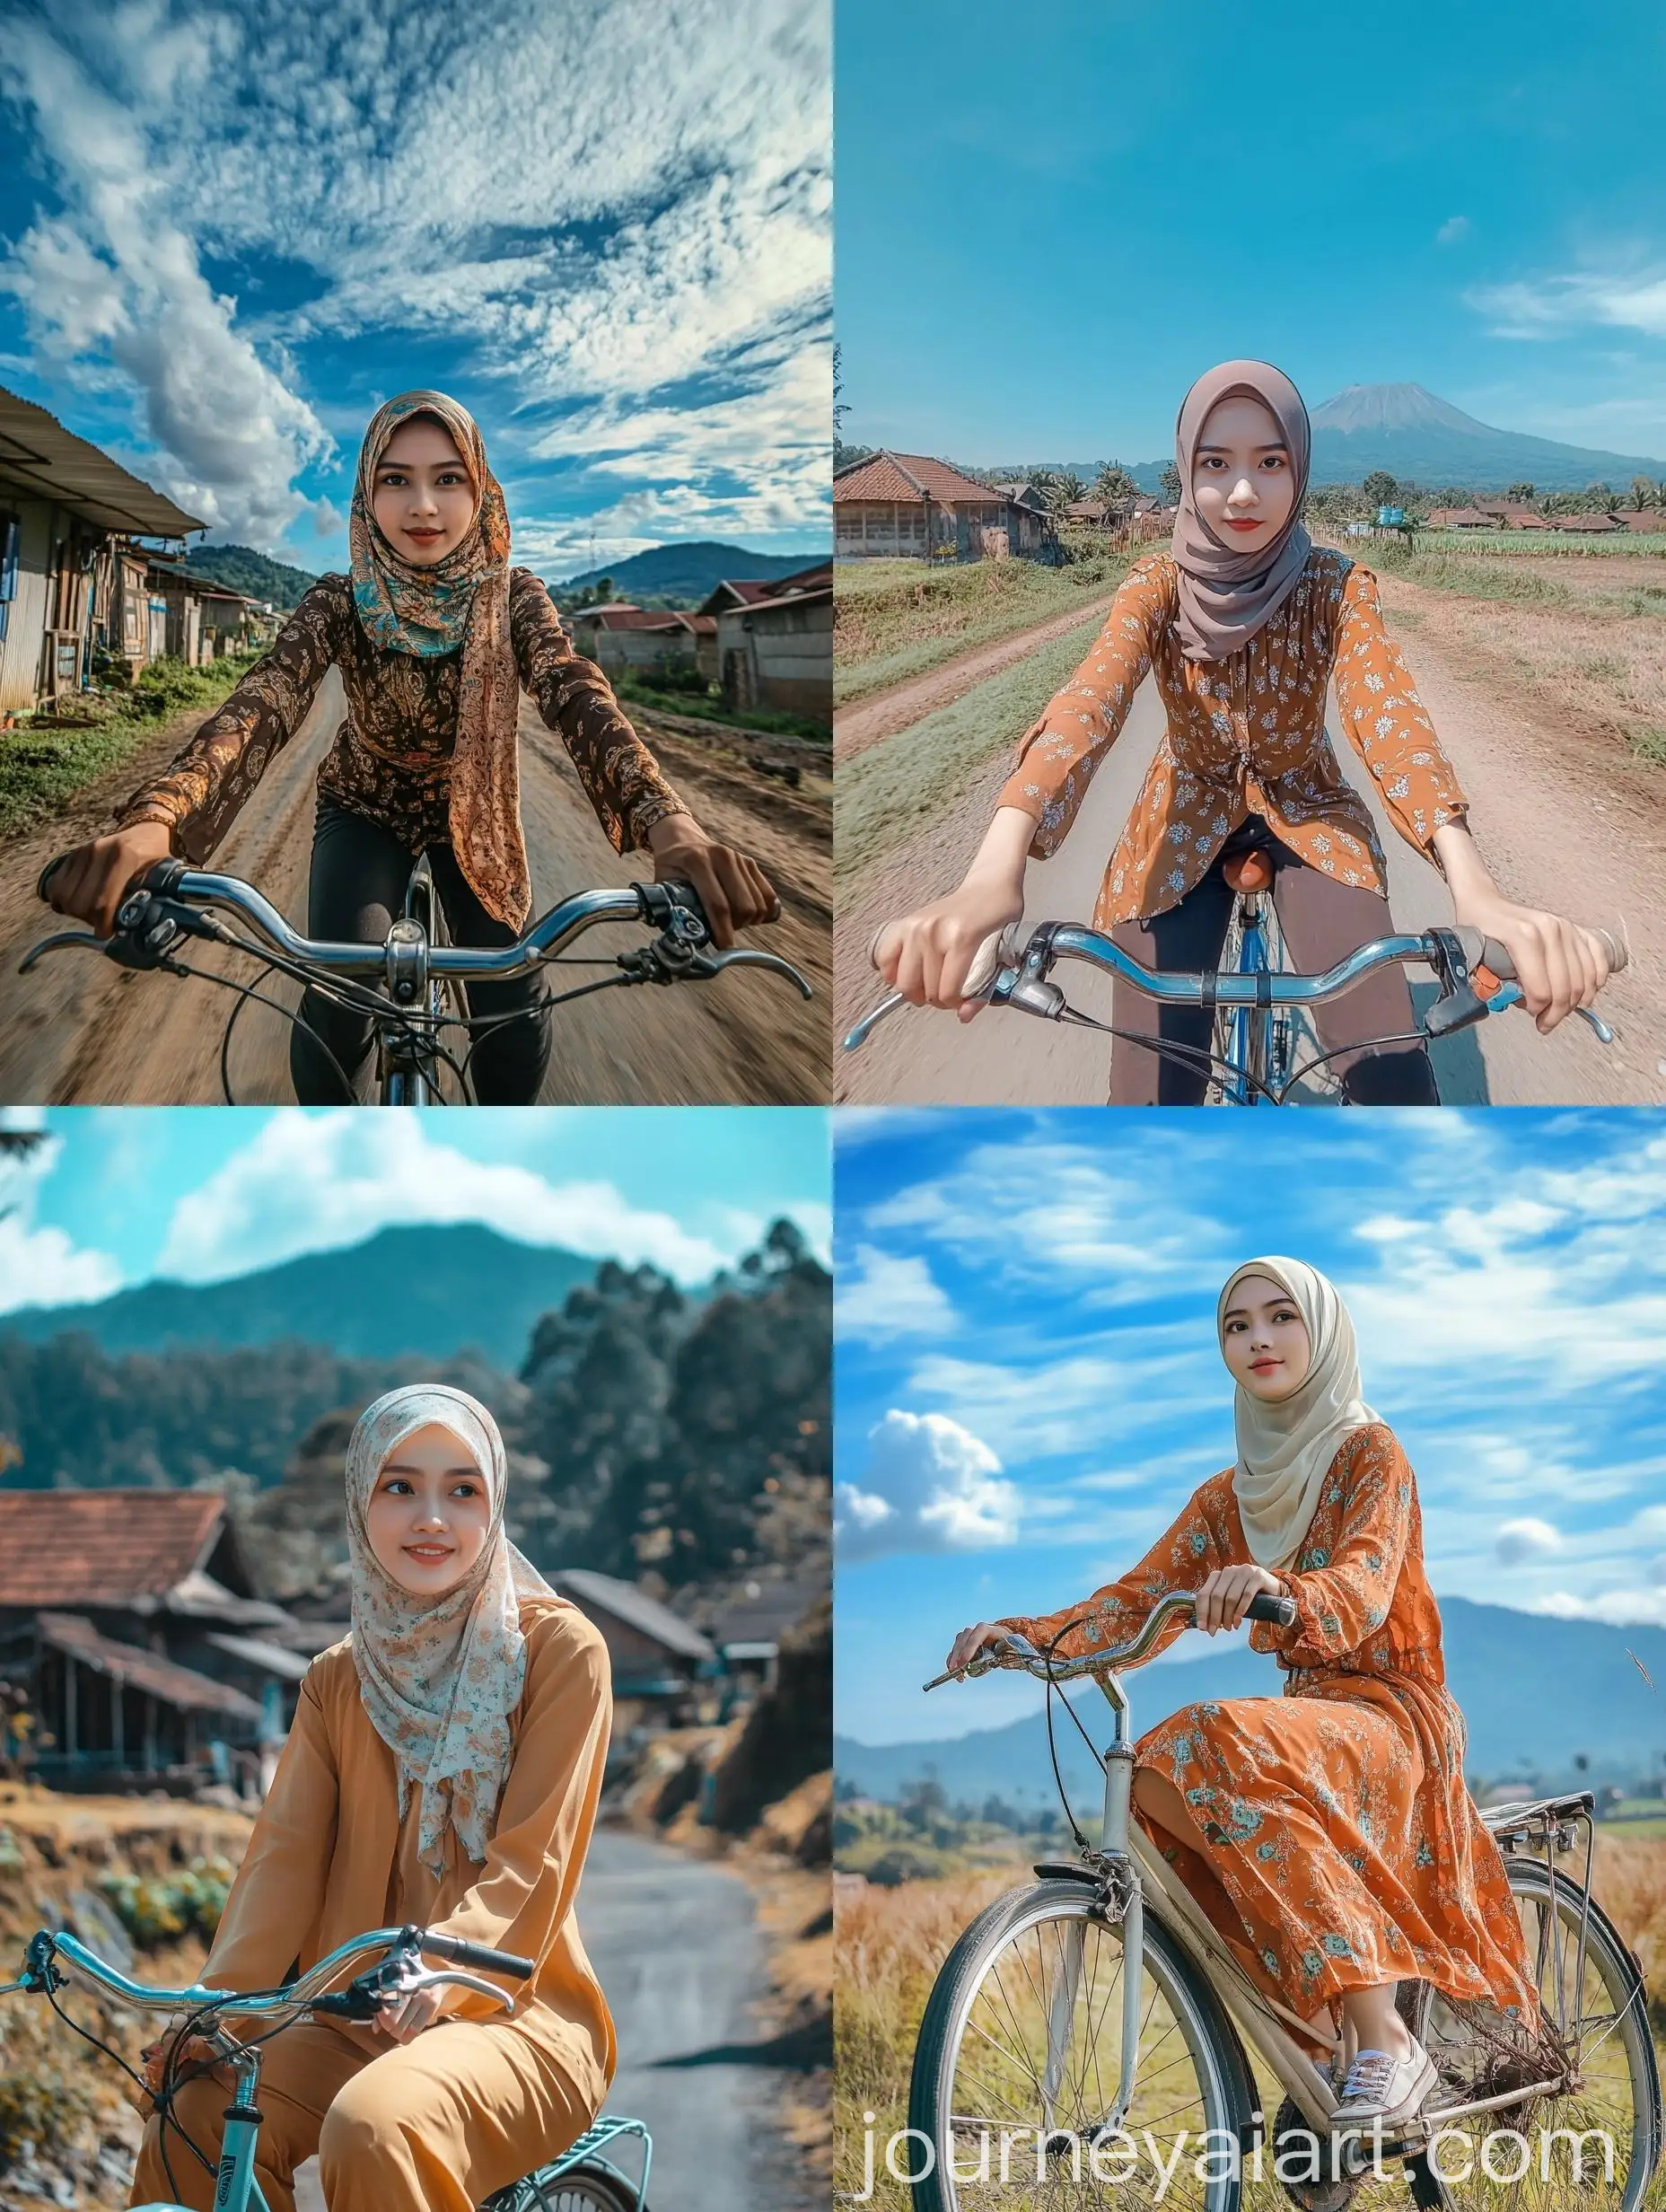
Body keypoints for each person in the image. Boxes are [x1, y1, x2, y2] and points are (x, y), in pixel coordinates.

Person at [873, 360, 1611, 1104]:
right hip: (1182, 812)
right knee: (1147, 1107)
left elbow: (1391, 722)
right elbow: (1087, 705)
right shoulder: (1154, 584)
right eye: (1215, 463)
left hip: (1311, 811)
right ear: (1187, 473)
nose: (1243, 491)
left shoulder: (1336, 586)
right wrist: (995, 871)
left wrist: (1475, 889)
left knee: (1395, 1090)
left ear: (1302, 471)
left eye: (1271, 462)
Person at [44, 390, 778, 1104]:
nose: (423, 506)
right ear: (368, 494)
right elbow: (262, 702)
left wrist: (671, 827)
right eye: (396, 480)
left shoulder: (515, 598)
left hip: (478, 818)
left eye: (447, 479)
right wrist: (155, 821)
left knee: (512, 1003)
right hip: (363, 806)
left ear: (479, 489)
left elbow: (574, 689)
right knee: (341, 994)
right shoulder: (338, 600)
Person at [944, 1258, 1541, 2129]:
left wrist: (1283, 1587)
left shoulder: (1369, 1450)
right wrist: (1023, 1635)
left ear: (1322, 1331)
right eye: (1234, 1325)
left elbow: (1365, 1581)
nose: (1257, 1338)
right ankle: (1320, 2041)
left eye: (1278, 1317)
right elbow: (1135, 1600)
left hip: (1390, 1713)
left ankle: (1387, 2043)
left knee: (1210, 1733)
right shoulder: (1228, 1496)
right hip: (1315, 1713)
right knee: (1149, 1775)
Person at [128, 1384, 613, 2212]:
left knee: (375, 2126)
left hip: (516, 2019)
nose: (432, 1517)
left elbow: (533, 1862)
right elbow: (278, 1873)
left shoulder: (562, 1652)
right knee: (194, 2110)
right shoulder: (336, 1681)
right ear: (360, 1503)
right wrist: (211, 2018)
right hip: (351, 2022)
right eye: (400, 1487)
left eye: (463, 1490)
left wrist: (443, 1965)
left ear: (495, 1505)